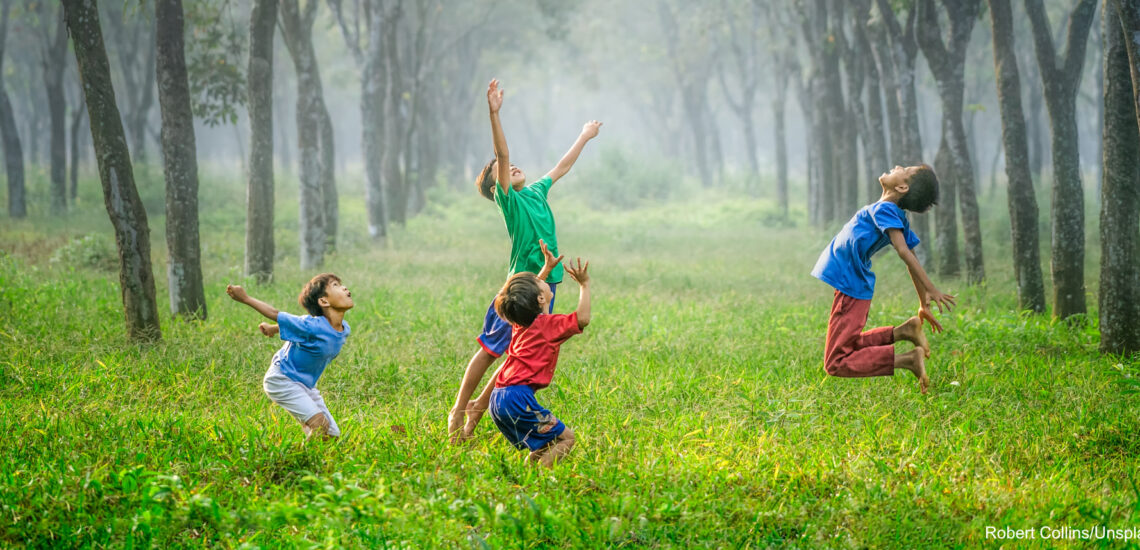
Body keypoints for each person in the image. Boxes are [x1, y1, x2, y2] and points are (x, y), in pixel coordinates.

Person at [447, 78, 602, 441]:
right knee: (489, 350)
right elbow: (501, 155)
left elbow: (561, 167)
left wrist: (584, 136)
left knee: (519, 355)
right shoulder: (510, 202)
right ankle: (459, 411)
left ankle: (474, 419)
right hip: (519, 288)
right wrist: (494, 113)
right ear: (495, 186)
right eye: (500, 170)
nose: (511, 166)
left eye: (513, 165)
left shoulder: (535, 192)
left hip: (545, 285)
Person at [810, 164, 956, 393]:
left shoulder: (886, 210)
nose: (898, 166)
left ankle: (907, 360)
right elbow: (911, 256)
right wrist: (922, 302)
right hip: (851, 284)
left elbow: (905, 252)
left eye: (905, 169)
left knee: (836, 362)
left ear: (902, 186)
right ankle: (904, 331)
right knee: (848, 345)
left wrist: (931, 288)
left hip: (851, 285)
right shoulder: (891, 212)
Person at [488, 256, 591, 467]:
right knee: (567, 438)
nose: (541, 279)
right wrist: (584, 284)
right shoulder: (548, 326)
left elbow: (525, 297)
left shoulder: (520, 323)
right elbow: (582, 318)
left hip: (498, 398)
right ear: (540, 299)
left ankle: (527, 474)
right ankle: (540, 480)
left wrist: (546, 269)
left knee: (546, 442)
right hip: (518, 400)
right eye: (540, 281)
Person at [226, 274, 353, 438]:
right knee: (320, 426)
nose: (344, 288)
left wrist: (273, 329)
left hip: (305, 385)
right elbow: (275, 313)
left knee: (331, 435)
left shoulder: (344, 329)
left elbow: (298, 328)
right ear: (324, 302)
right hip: (282, 379)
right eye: (335, 285)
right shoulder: (311, 325)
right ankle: (299, 459)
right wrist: (245, 298)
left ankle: (310, 436)